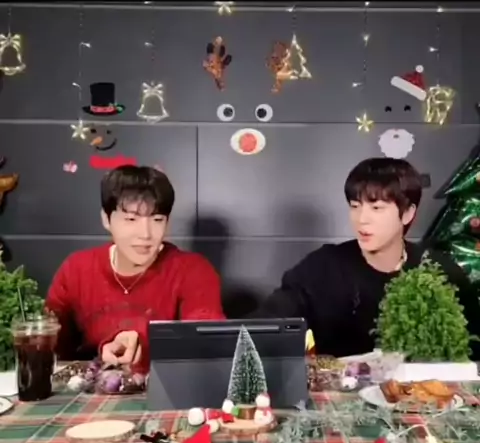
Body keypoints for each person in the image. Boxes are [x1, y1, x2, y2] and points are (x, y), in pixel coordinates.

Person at [251, 157, 480, 358]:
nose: (362, 219)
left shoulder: (440, 272)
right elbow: (268, 323)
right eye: (355, 206)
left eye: (376, 208)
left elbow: (472, 344)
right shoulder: (322, 267)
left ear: (408, 213)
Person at [46, 165, 225, 372]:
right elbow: (52, 343)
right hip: (92, 384)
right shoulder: (76, 269)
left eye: (157, 220)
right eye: (131, 219)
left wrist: (142, 346)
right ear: (106, 219)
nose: (145, 234)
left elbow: (204, 342)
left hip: (164, 386)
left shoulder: (193, 270)